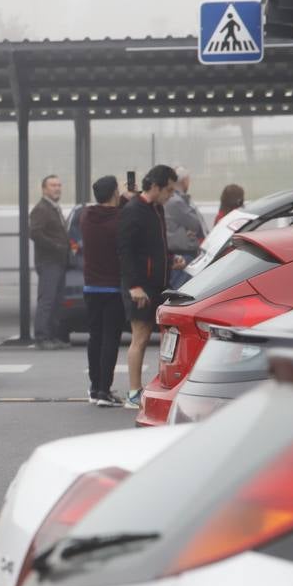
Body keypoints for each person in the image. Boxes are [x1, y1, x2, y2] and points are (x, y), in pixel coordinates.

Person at [119, 164, 181, 409]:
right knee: (141, 336)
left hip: (158, 283)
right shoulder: (133, 210)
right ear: (154, 187)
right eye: (168, 190)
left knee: (162, 337)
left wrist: (169, 259)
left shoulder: (156, 209)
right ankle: (134, 392)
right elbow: (125, 251)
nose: (170, 195)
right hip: (140, 286)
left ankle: (153, 388)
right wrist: (134, 285)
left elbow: (155, 246)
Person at [80, 176, 126, 407]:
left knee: (95, 336)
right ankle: (104, 390)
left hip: (91, 285)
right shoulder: (119, 219)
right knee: (111, 338)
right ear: (115, 194)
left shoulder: (86, 217)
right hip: (113, 286)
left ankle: (94, 386)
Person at [28, 174, 69, 349]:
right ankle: (42, 337)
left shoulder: (53, 208)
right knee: (47, 299)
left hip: (58, 262)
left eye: (59, 185)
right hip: (48, 262)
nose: (57, 188)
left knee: (56, 300)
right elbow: (35, 233)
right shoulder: (41, 209)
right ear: (44, 189)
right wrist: (58, 246)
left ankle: (52, 335)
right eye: (53, 185)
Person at [164, 167, 205, 289]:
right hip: (182, 254)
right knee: (182, 290)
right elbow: (195, 223)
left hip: (177, 253)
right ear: (184, 181)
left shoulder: (175, 200)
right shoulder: (177, 202)